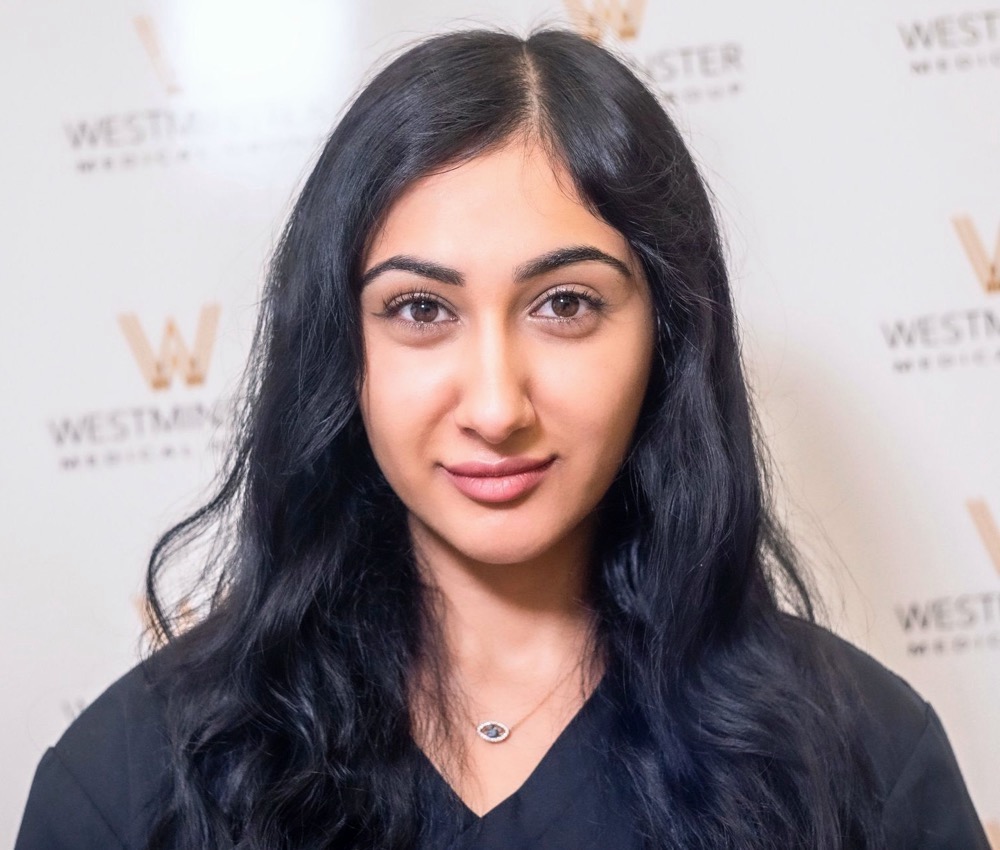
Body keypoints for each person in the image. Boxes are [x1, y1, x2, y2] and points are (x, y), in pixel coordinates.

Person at [15, 27, 990, 850]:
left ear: (667, 335)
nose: (494, 403)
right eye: (420, 308)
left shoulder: (867, 760)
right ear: (337, 347)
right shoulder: (135, 781)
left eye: (565, 304)